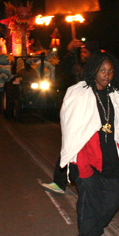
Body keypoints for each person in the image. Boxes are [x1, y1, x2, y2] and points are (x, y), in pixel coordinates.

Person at [59, 52, 119, 236]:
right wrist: (80, 162)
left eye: (111, 71)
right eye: (102, 70)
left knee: (113, 202)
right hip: (86, 159)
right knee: (90, 206)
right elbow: (72, 129)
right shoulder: (79, 94)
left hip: (109, 158)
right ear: (93, 70)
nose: (107, 75)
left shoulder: (114, 94)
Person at [41, 38, 95, 193]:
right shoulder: (78, 64)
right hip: (78, 110)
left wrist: (85, 74)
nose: (82, 54)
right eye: (81, 52)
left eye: (85, 52)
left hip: (90, 113)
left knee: (87, 148)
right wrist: (71, 54)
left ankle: (90, 182)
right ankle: (60, 182)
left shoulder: (99, 66)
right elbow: (62, 71)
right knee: (71, 145)